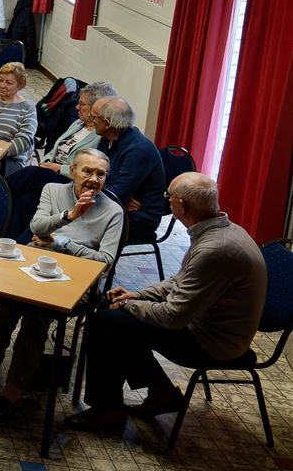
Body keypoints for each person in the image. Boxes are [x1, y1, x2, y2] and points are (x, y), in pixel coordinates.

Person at [65, 173, 267, 434]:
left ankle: (109, 409)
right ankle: (158, 393)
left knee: (107, 320)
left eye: (168, 197)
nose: (166, 202)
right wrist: (137, 296)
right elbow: (179, 281)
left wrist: (128, 306)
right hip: (205, 326)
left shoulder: (215, 249)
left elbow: (173, 316)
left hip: (213, 343)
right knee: (108, 309)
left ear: (181, 206)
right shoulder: (218, 230)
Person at [0, 148, 124, 423]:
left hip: (77, 281)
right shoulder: (53, 190)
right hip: (36, 266)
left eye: (101, 174)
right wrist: (69, 215)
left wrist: (60, 242)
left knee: (37, 315)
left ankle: (13, 390)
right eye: (87, 171)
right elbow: (37, 226)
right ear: (72, 171)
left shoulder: (113, 212)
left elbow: (105, 262)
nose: (94, 179)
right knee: (6, 305)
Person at [3, 80, 116, 240]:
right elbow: (54, 149)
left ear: (95, 108)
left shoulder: (100, 135)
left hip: (69, 178)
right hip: (50, 173)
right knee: (26, 199)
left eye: (82, 104)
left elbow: (91, 170)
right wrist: (46, 161)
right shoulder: (78, 124)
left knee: (31, 173)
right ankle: (9, 240)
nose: (77, 107)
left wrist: (57, 168)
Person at [91, 96, 168, 242]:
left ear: (107, 123)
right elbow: (92, 178)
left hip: (139, 217)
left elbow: (115, 194)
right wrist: (117, 196)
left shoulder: (139, 149)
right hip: (116, 207)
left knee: (78, 221)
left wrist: (116, 196)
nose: (91, 121)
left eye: (94, 117)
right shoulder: (106, 139)